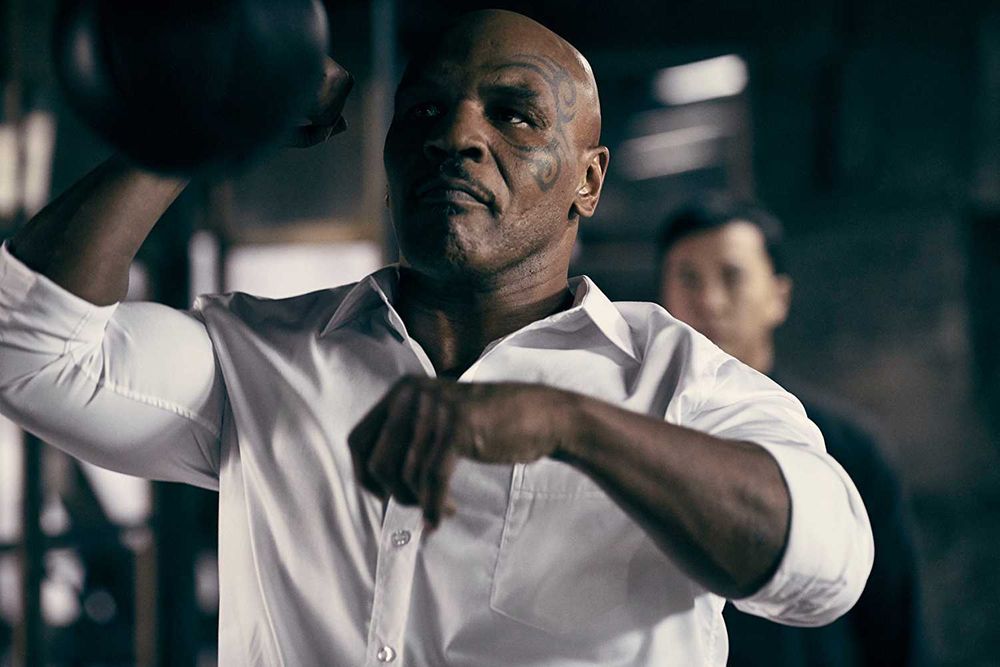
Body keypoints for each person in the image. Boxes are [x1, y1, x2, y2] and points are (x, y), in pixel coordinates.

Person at [0, 11, 872, 666]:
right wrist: (210, 125)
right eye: (422, 112)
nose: (456, 137)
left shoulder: (678, 380)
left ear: (589, 181)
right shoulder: (261, 358)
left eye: (515, 115)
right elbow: (27, 349)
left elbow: (827, 568)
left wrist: (568, 424)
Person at [658, 195, 924, 667]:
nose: (709, 301)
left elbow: (897, 627)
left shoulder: (846, 447)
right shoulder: (641, 436)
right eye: (688, 279)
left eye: (732, 276)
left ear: (778, 296)